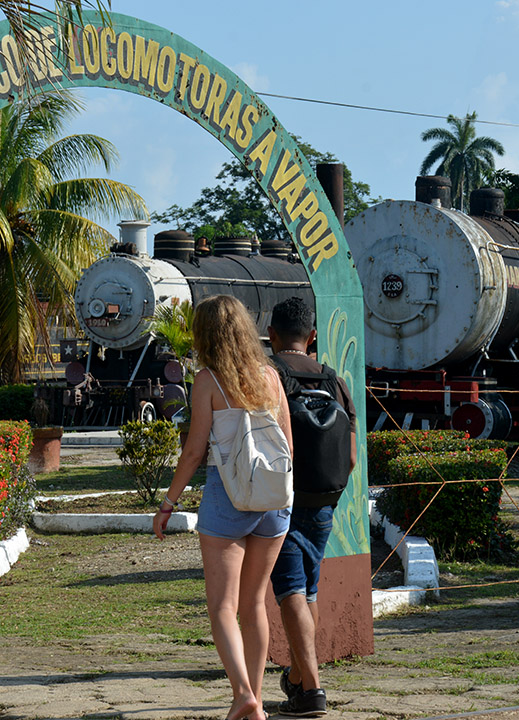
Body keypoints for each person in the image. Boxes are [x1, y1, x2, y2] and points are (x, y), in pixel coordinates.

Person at [153, 295, 292, 720]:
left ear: (205, 334)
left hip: (227, 497)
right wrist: (290, 498)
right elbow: (288, 444)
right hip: (273, 499)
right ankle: (259, 700)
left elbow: (194, 451)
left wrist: (169, 501)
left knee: (221, 607)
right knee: (254, 604)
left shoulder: (207, 381)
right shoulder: (271, 376)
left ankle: (242, 694)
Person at [266, 297, 356, 718]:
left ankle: (312, 692)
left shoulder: (271, 377)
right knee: (309, 590)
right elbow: (352, 457)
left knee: (290, 593)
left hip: (283, 501)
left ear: (272, 335)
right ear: (313, 337)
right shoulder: (335, 381)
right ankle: (300, 678)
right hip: (325, 503)